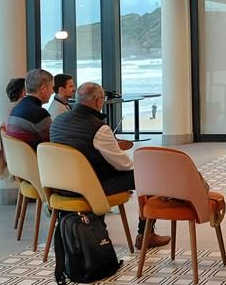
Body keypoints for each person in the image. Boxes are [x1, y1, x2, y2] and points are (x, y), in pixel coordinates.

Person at [49, 82, 170, 250]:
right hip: (91, 187)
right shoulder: (99, 128)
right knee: (147, 175)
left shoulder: (57, 122)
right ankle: (145, 234)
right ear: (98, 100)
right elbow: (124, 164)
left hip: (62, 186)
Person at [0, 77, 26, 195]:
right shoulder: (21, 114)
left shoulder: (11, 113)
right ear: (24, 93)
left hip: (15, 162)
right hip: (25, 164)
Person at [5, 69, 54, 148]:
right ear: (43, 88)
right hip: (36, 155)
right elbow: (52, 144)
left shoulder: (15, 109)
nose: (53, 92)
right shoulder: (39, 114)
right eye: (52, 88)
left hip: (17, 155)